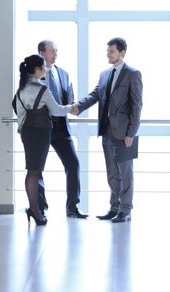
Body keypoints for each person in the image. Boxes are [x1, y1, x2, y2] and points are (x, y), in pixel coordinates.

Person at [72, 37, 143, 223]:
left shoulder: (132, 74)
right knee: (112, 172)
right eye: (108, 51)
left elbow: (137, 105)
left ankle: (126, 210)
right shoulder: (105, 74)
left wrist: (131, 133)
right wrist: (78, 107)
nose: (108, 54)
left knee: (125, 173)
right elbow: (95, 95)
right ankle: (114, 207)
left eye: (111, 51)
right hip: (107, 131)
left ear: (122, 52)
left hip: (124, 133)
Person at [16, 54, 73, 225]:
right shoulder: (43, 89)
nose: (45, 70)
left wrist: (22, 132)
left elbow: (20, 115)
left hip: (27, 132)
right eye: (43, 68)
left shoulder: (21, 89)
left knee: (32, 170)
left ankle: (34, 209)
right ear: (37, 70)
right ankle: (34, 211)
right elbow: (57, 111)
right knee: (35, 171)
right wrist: (72, 107)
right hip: (41, 133)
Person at [37, 40, 88, 219]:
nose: (55, 54)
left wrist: (73, 106)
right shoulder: (34, 73)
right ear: (41, 52)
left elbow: (69, 97)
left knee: (73, 164)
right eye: (52, 51)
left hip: (61, 128)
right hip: (41, 127)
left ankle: (72, 208)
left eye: (56, 51)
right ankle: (39, 208)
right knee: (37, 169)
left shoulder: (63, 73)